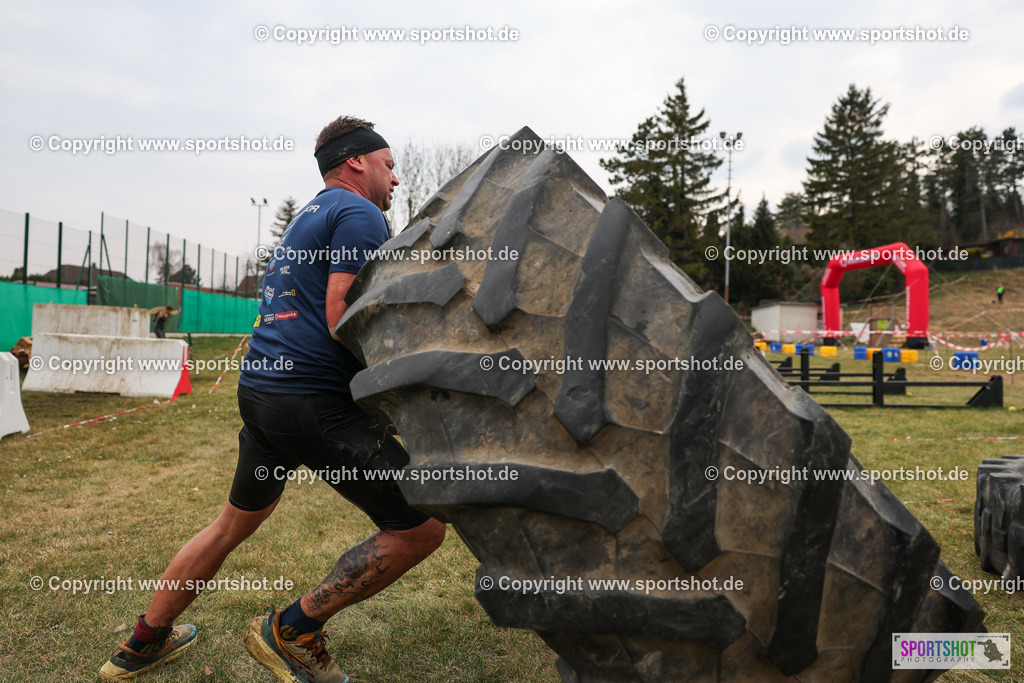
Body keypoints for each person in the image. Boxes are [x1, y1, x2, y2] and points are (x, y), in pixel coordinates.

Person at [100, 116, 445, 683]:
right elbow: (343, 318)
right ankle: (293, 629)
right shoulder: (360, 213)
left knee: (229, 526)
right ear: (356, 162)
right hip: (313, 401)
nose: (396, 179)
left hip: (263, 393)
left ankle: (139, 645)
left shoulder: (311, 215)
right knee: (423, 526)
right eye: (389, 165)